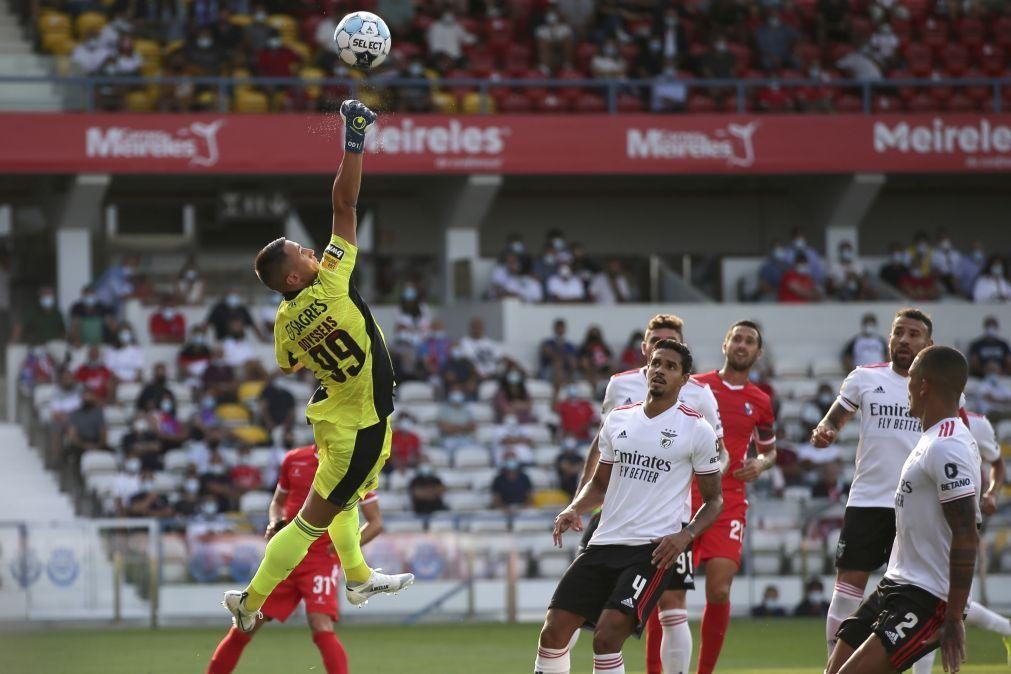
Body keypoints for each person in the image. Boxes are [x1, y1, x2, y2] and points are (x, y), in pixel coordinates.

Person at [225, 100, 413, 633]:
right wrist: (354, 138)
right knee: (310, 522)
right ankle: (251, 598)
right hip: (361, 423)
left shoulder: (285, 318)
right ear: (294, 276)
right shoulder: (330, 280)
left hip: (333, 417)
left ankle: (356, 574)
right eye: (303, 252)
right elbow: (344, 204)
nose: (313, 251)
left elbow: (287, 366)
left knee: (343, 495)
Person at [533, 339, 723, 674]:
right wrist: (575, 508)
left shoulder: (697, 429)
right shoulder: (619, 419)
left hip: (651, 551)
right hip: (603, 542)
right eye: (657, 363)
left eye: (670, 366)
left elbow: (714, 500)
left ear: (684, 378)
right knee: (553, 631)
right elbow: (600, 484)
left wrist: (686, 535)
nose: (660, 370)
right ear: (647, 368)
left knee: (606, 638)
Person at [826, 346, 979, 674]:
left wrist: (953, 617)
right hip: (896, 582)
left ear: (924, 385)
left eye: (910, 379)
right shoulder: (930, 438)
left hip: (927, 597)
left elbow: (967, 532)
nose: (904, 387)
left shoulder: (947, 446)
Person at [812, 308, 939, 662]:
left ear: (929, 343)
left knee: (918, 595)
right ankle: (832, 667)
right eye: (899, 332)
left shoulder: (941, 390)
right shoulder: (864, 378)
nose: (904, 339)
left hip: (918, 505)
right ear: (889, 338)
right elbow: (834, 418)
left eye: (914, 334)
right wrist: (826, 431)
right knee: (846, 593)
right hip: (868, 499)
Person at [207, 443, 383, 674]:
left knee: (320, 624)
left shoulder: (350, 465)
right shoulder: (294, 459)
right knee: (244, 626)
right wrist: (274, 521)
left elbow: (376, 523)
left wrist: (345, 545)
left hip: (321, 559)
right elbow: (278, 503)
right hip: (288, 557)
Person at [690, 321, 778, 674]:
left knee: (720, 590)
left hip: (729, 502)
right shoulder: (697, 387)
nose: (742, 345)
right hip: (686, 496)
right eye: (737, 338)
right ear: (725, 344)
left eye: (750, 341)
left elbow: (770, 451)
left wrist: (761, 463)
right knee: (668, 595)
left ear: (758, 353)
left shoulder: (760, 401)